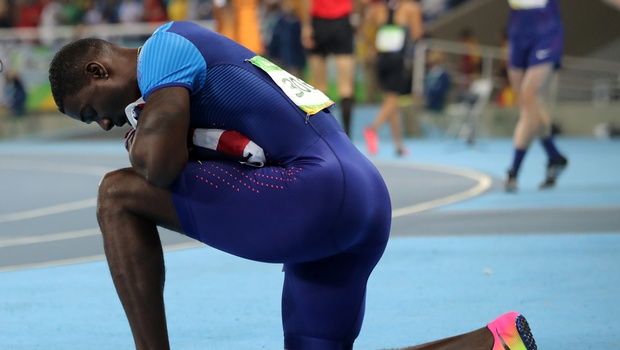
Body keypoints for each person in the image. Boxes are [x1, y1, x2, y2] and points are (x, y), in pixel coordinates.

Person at [48, 20, 538, 350]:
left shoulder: (163, 48)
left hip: (314, 195)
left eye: (91, 112)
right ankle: (494, 341)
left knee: (117, 193)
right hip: (363, 198)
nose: (104, 125)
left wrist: (137, 136)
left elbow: (157, 165)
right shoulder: (181, 74)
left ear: (99, 69)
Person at [504, 0, 568, 192]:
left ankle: (513, 170)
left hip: (546, 31)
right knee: (527, 103)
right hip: (517, 32)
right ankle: (555, 156)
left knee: (529, 95)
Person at [362, 0, 423, 156]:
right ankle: (373, 129)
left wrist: (372, 47)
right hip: (397, 60)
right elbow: (417, 34)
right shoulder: (410, 8)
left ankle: (398, 145)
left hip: (381, 60)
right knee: (393, 100)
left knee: (391, 103)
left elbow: (364, 30)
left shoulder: (376, 10)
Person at [300, 0, 357, 136]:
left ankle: (323, 135)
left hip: (319, 23)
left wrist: (306, 25)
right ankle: (347, 137)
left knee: (319, 86)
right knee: (346, 86)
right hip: (342, 23)